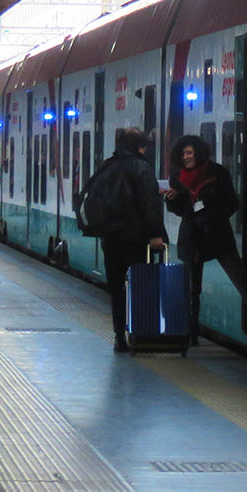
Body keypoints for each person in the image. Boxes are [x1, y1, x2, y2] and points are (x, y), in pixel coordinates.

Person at [164, 134, 247, 340]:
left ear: (198, 153)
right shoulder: (177, 177)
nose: (186, 157)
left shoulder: (217, 173)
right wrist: (171, 201)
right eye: (183, 154)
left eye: (189, 153)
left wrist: (209, 215)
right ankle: (191, 332)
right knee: (192, 288)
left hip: (217, 233)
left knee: (240, 278)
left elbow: (232, 203)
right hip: (192, 236)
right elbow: (179, 210)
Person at [96, 127, 168, 353]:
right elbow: (149, 204)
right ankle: (138, 333)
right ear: (140, 147)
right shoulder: (141, 168)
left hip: (110, 239)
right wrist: (155, 234)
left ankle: (119, 336)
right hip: (135, 239)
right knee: (139, 286)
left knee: (116, 289)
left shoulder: (107, 167)